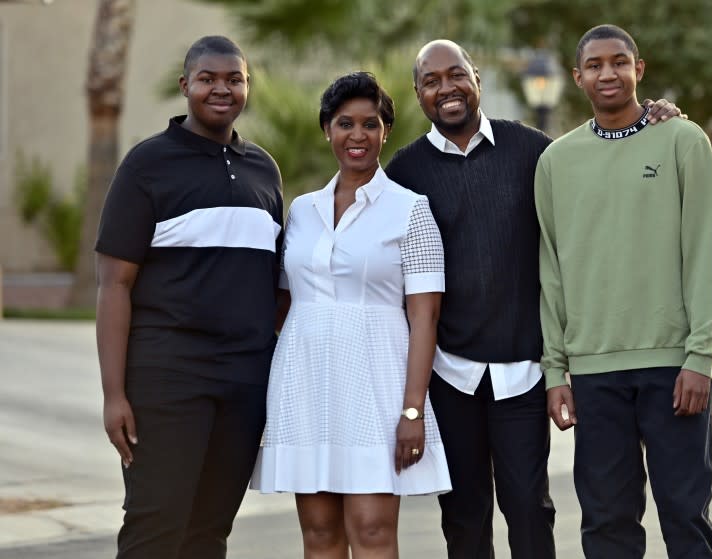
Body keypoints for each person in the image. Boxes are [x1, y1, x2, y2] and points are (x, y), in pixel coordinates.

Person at [385, 39, 682, 558]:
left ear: (476, 78)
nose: (446, 88)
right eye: (431, 81)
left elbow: (601, 160)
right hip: (450, 372)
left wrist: (654, 118)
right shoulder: (405, 173)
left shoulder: (533, 151)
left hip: (522, 371)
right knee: (462, 511)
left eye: (455, 74)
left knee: (528, 506)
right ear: (418, 94)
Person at [536, 24, 712, 559]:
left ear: (639, 70)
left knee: (686, 518)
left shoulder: (685, 141)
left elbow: (702, 254)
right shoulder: (556, 162)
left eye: (619, 62)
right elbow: (551, 270)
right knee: (606, 524)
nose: (607, 73)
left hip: (673, 367)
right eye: (594, 65)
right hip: (593, 371)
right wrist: (555, 372)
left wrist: (700, 356)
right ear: (577, 78)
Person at [95, 36, 284, 559]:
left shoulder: (264, 172)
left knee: (209, 530)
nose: (221, 89)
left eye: (234, 79)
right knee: (156, 527)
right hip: (167, 375)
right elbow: (114, 285)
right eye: (208, 79)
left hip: (244, 380)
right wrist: (115, 395)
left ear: (247, 85)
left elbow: (272, 283)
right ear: (186, 86)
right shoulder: (146, 166)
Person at [250, 71, 451, 557]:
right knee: (318, 533)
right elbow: (283, 301)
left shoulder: (411, 210)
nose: (357, 135)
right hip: (306, 387)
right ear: (327, 129)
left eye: (370, 124)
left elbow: (424, 319)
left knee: (373, 530)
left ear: (385, 131)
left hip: (378, 388)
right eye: (345, 123)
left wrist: (412, 410)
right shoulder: (301, 210)